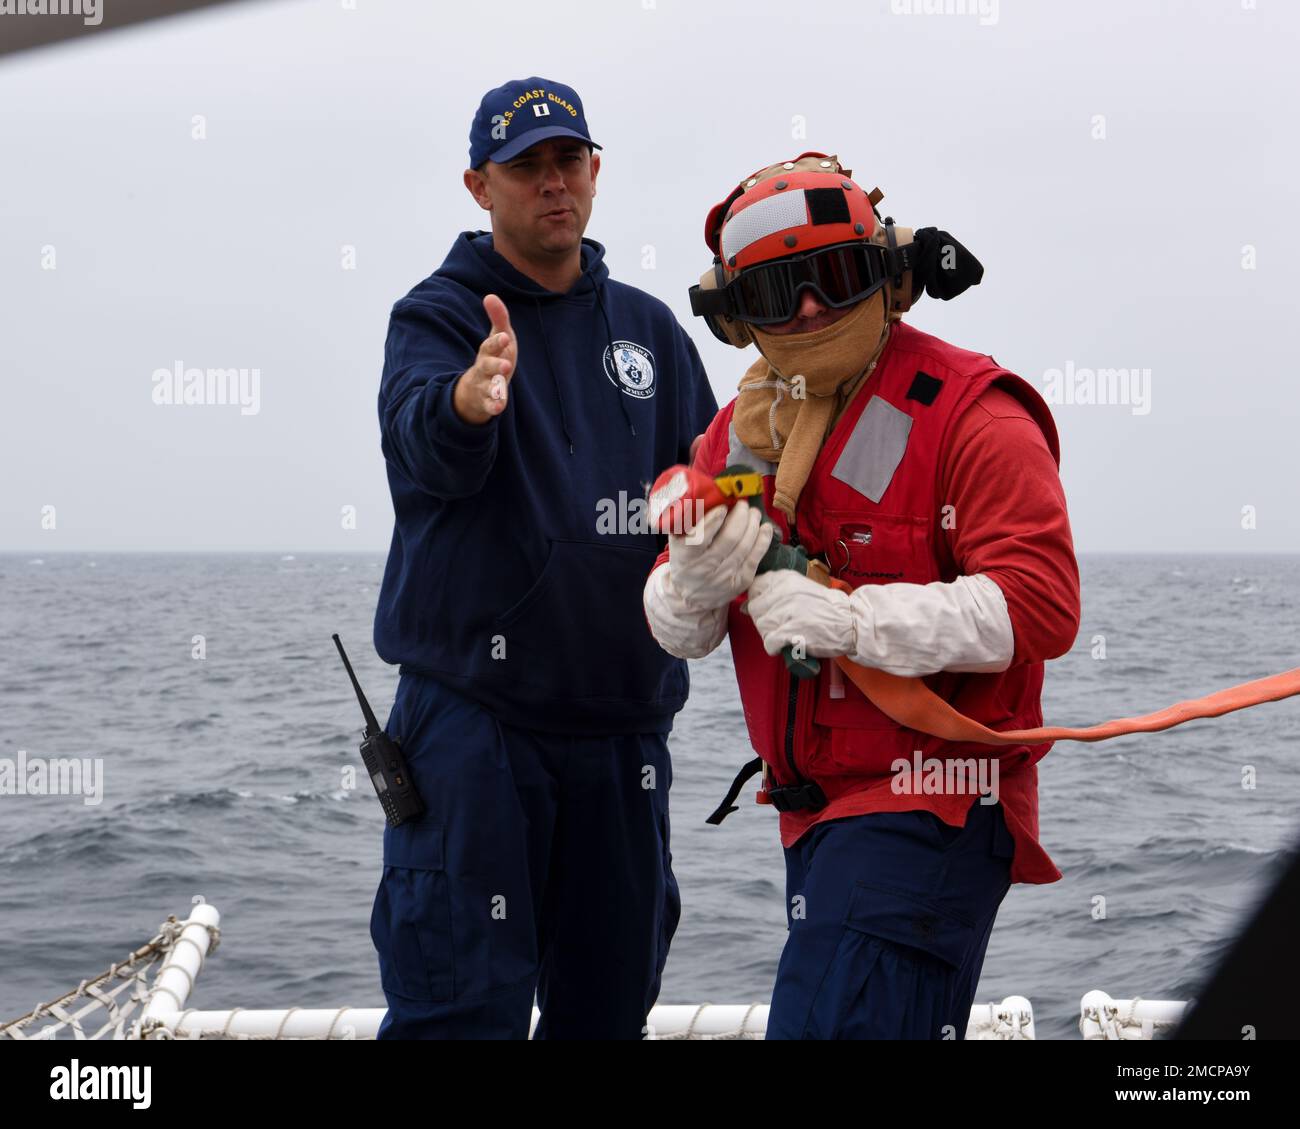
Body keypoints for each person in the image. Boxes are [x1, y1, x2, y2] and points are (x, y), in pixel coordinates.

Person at [643, 152, 1081, 1039]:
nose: (809, 309)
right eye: (776, 293)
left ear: (887, 278)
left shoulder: (974, 414)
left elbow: (1042, 605)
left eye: (834, 278)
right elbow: (680, 627)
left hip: (932, 806)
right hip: (815, 826)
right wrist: (688, 583)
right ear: (739, 320)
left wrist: (856, 621)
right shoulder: (740, 436)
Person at [369, 77, 718, 1039]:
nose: (552, 182)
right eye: (525, 167)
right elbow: (419, 437)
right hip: (473, 728)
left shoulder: (652, 331)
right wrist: (465, 405)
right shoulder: (438, 317)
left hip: (622, 735)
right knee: (459, 1011)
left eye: (568, 160)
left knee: (608, 1012)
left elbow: (716, 487)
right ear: (479, 186)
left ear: (596, 171)